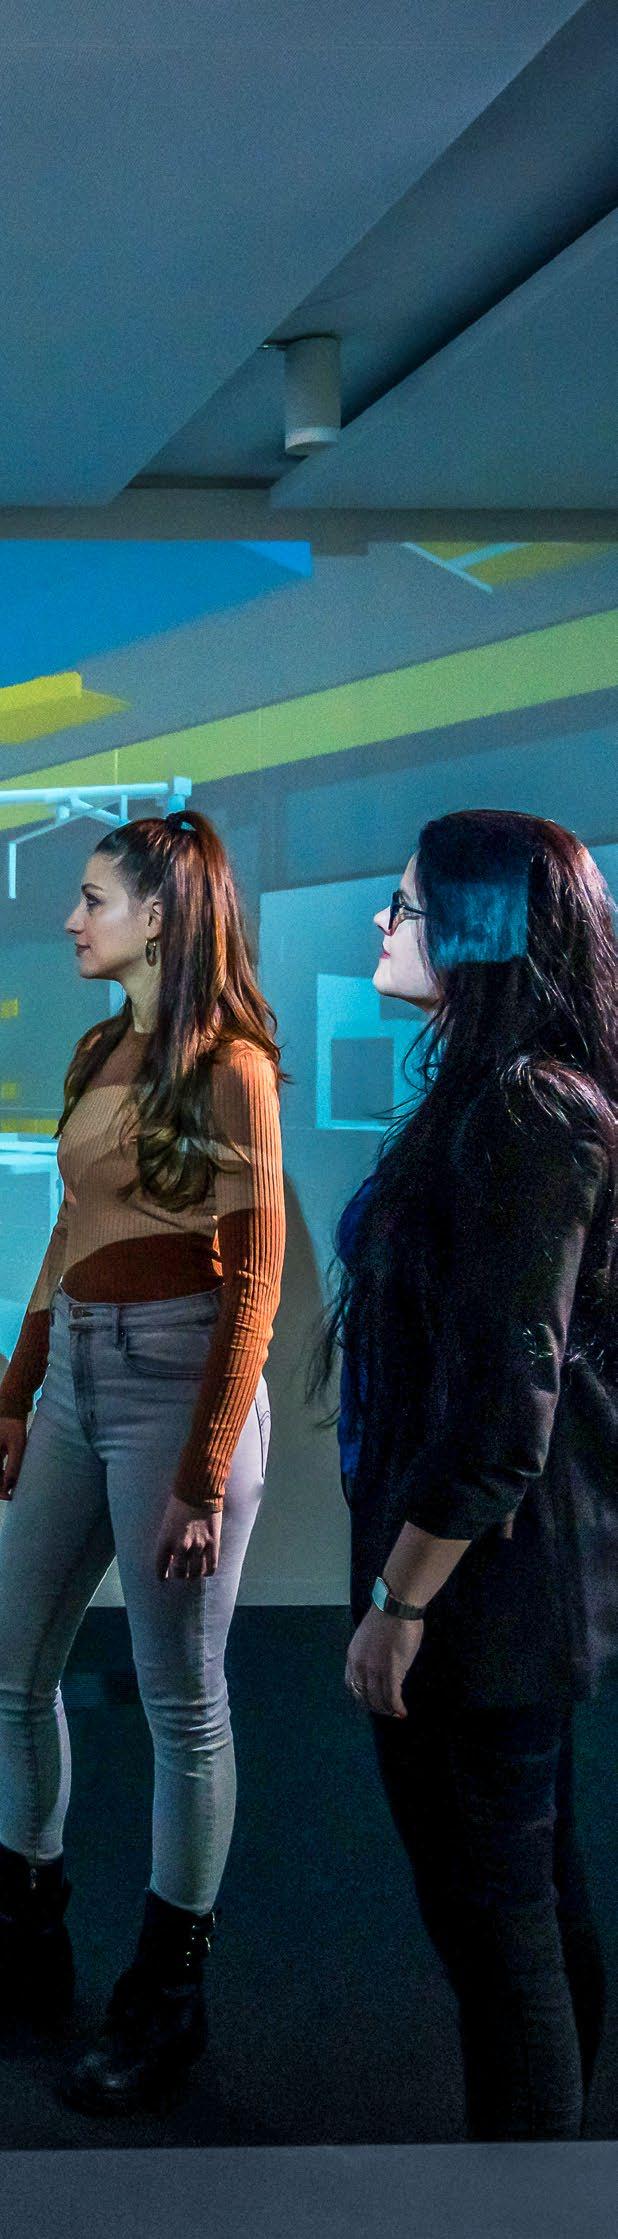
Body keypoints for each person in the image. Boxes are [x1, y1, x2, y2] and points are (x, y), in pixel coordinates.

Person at [308, 808, 617, 2143]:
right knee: (523, 1909)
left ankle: (527, 2201)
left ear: (479, 930)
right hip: (488, 1587)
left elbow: (504, 1405)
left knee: (499, 1938)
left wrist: (401, 1602)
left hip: (482, 1600)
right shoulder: (503, 1100)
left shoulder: (531, 1113)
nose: (382, 923)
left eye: (406, 905)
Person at [0, 807, 286, 2115]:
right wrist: (17, 1394)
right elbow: (68, 1235)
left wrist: (202, 1469)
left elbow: (256, 1285)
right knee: (12, 1664)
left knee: (182, 1701)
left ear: (162, 915)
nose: (72, 919)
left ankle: (167, 1997)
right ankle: (28, 1930)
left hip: (179, 1388)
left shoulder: (232, 1068)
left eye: (94, 898)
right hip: (76, 1379)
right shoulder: (97, 1048)